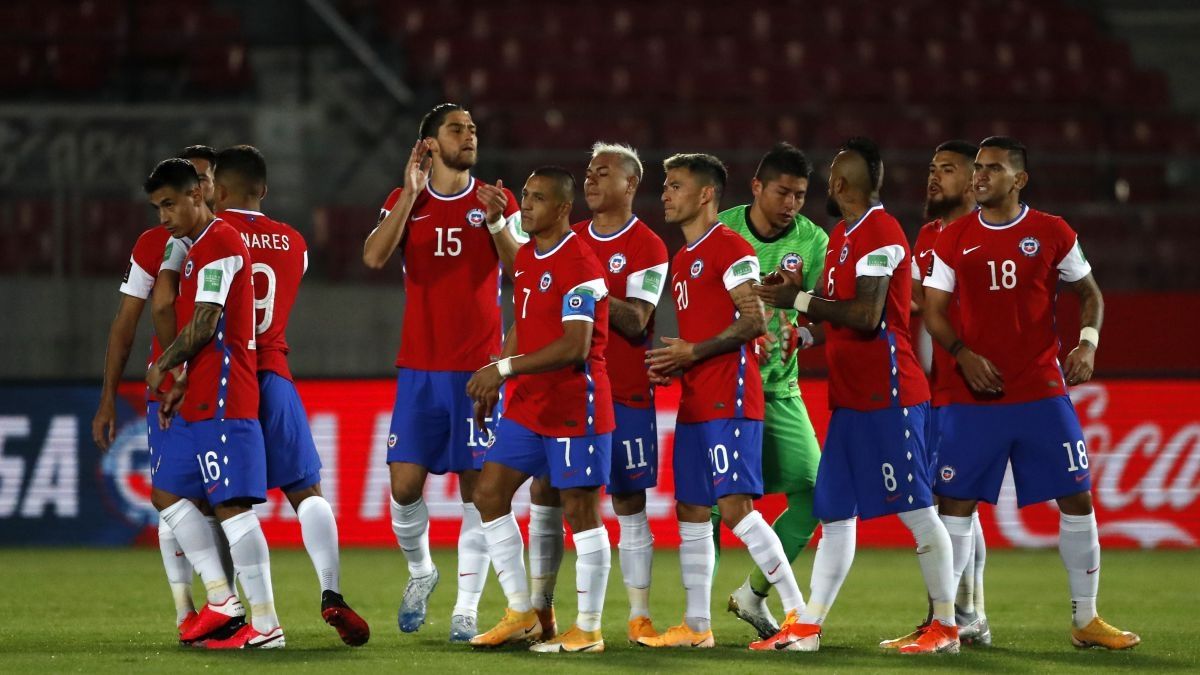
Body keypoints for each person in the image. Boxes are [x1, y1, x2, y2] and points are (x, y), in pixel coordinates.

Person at [922, 136, 1139, 650]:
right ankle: (947, 625)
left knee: (1078, 497)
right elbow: (933, 311)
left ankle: (1086, 619)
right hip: (976, 396)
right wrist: (963, 354)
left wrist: (1088, 343)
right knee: (955, 505)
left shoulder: (1052, 231)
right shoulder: (954, 237)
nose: (980, 176)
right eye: (978, 167)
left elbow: (1090, 293)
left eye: (992, 168)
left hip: (1041, 390)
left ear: (1019, 179)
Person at [754, 137, 959, 654]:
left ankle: (946, 627)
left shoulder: (881, 233)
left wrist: (798, 299)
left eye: (830, 177)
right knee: (835, 513)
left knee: (917, 512)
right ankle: (808, 627)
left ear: (841, 184)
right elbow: (837, 311)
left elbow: (867, 317)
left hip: (889, 396)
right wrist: (803, 333)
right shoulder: (843, 235)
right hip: (850, 401)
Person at [362, 103, 524, 640]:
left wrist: (497, 221)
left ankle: (466, 608)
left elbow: (523, 272)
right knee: (404, 485)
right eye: (456, 128)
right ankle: (421, 572)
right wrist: (409, 195)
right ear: (429, 144)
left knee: (478, 490)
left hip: (478, 370)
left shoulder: (496, 201)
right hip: (420, 369)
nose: (469, 135)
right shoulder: (404, 199)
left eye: (473, 128)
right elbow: (373, 257)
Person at [638, 153, 808, 652]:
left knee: (735, 508)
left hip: (728, 397)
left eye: (675, 185)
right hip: (696, 400)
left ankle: (799, 619)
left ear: (706, 194)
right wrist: (675, 363)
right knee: (691, 508)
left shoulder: (729, 246)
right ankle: (696, 626)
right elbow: (705, 329)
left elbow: (755, 320)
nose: (665, 194)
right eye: (665, 185)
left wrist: (694, 352)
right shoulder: (681, 260)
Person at [213, 144, 370, 646]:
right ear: (263, 189)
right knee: (307, 490)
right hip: (275, 374)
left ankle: (243, 613)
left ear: (218, 189)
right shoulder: (293, 242)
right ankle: (332, 592)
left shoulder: (210, 235)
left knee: (224, 502)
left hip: (225, 379)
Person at [465, 167, 614, 653]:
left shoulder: (581, 265)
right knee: (489, 493)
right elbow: (525, 319)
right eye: (525, 195)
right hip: (530, 405)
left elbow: (575, 345)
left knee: (581, 511)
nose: (525, 205)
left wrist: (503, 369)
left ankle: (588, 629)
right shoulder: (529, 255)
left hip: (574, 403)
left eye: (537, 198)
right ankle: (522, 612)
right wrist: (499, 373)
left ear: (563, 208)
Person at [524, 142, 668, 643]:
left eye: (603, 173)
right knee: (544, 492)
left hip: (624, 393)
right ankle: (540, 611)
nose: (590, 179)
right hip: (564, 393)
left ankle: (639, 616)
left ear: (631, 184)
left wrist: (590, 282)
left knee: (628, 499)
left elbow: (638, 320)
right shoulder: (570, 238)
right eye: (588, 172)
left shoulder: (649, 246)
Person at [144, 158, 284, 649]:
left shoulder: (221, 241)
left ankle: (266, 624)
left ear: (197, 195)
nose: (163, 216)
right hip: (200, 393)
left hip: (227, 393)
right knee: (167, 491)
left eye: (169, 204)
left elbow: (205, 322)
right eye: (157, 208)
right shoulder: (200, 246)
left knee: (231, 507)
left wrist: (163, 365)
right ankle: (223, 599)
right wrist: (181, 381)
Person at [882, 139, 992, 650]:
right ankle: (969, 614)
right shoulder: (927, 235)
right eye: (932, 168)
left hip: (978, 385)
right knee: (957, 501)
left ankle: (955, 616)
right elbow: (914, 301)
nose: (933, 177)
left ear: (974, 181)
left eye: (947, 169)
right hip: (940, 388)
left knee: (954, 500)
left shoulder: (987, 233)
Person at [717, 142, 828, 639]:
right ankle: (695, 619)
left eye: (800, 195)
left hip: (781, 391)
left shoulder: (813, 241)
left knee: (816, 497)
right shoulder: (722, 230)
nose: (792, 204)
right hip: (725, 391)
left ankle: (754, 593)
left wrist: (803, 332)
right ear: (757, 187)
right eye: (783, 192)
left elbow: (828, 311)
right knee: (708, 508)